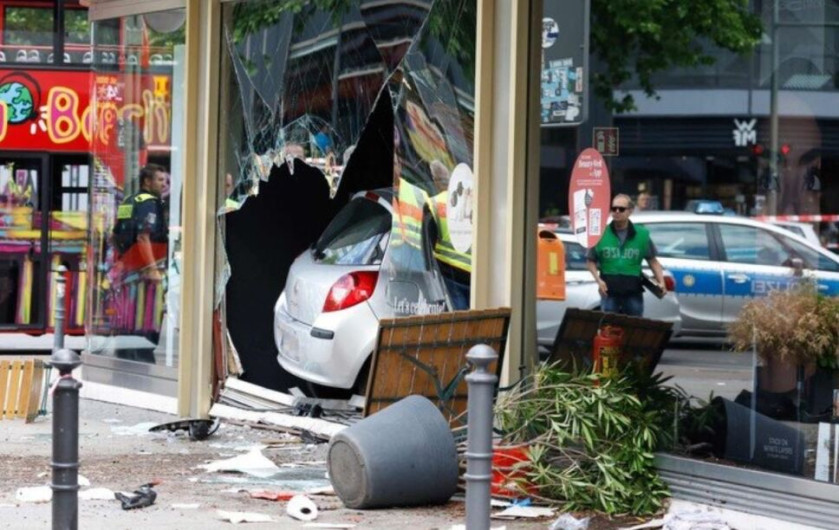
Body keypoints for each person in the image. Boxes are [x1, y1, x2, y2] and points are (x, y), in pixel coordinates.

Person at [111, 164, 169, 360]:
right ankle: (143, 359)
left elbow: (114, 235)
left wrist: (123, 259)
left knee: (128, 318)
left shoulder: (129, 200)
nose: (164, 184)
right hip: (145, 275)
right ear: (147, 181)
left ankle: (126, 357)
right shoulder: (150, 203)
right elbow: (143, 237)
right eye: (160, 180)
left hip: (128, 272)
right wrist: (153, 269)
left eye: (165, 180)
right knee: (147, 319)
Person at [586, 194, 665, 316]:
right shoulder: (600, 233)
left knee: (634, 325)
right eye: (614, 208)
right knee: (609, 325)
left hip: (633, 291)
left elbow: (653, 261)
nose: (617, 211)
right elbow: (590, 260)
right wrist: (598, 281)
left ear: (630, 211)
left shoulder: (642, 234)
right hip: (609, 292)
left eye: (621, 209)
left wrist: (661, 282)